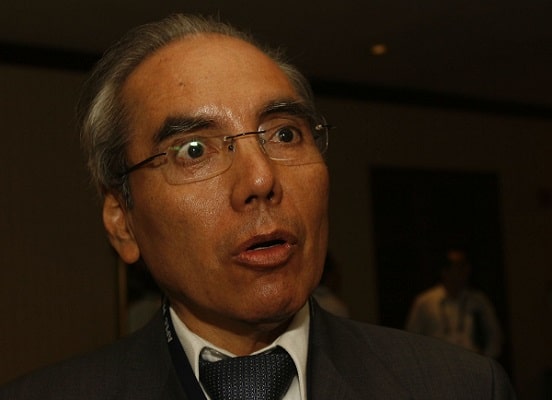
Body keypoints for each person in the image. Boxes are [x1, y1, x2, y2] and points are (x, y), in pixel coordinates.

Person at [1, 14, 516, 399]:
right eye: (193, 150)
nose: (261, 178)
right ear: (123, 223)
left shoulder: (462, 387)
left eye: (285, 134)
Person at [406, 249, 503, 358]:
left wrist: (486, 360)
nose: (466, 271)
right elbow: (412, 338)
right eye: (460, 267)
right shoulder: (425, 302)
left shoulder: (478, 300)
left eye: (466, 266)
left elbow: (494, 335)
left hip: (471, 361)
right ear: (445, 271)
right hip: (438, 362)